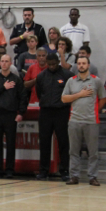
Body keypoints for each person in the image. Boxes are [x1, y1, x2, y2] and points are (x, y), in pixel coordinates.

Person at [62, 56, 106, 186]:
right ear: (76, 65)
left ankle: (93, 177)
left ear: (88, 65)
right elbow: (64, 98)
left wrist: (94, 111)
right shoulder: (71, 81)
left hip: (91, 121)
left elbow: (103, 98)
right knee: (73, 151)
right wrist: (79, 95)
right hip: (74, 120)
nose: (81, 65)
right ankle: (74, 176)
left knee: (93, 152)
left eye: (84, 63)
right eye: (79, 63)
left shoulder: (96, 81)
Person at [0, 54, 27, 178]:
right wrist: (3, 87)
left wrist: (21, 113)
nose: (4, 63)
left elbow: (23, 97)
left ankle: (10, 169)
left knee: (10, 143)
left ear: (10, 63)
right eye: (2, 61)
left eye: (6, 61)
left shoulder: (17, 79)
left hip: (11, 115)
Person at [35, 53, 72, 181]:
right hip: (45, 112)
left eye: (54, 64)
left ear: (58, 62)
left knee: (63, 142)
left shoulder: (67, 75)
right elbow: (40, 93)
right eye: (49, 64)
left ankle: (65, 171)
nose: (51, 66)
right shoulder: (41, 76)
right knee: (44, 142)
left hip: (61, 111)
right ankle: (43, 170)